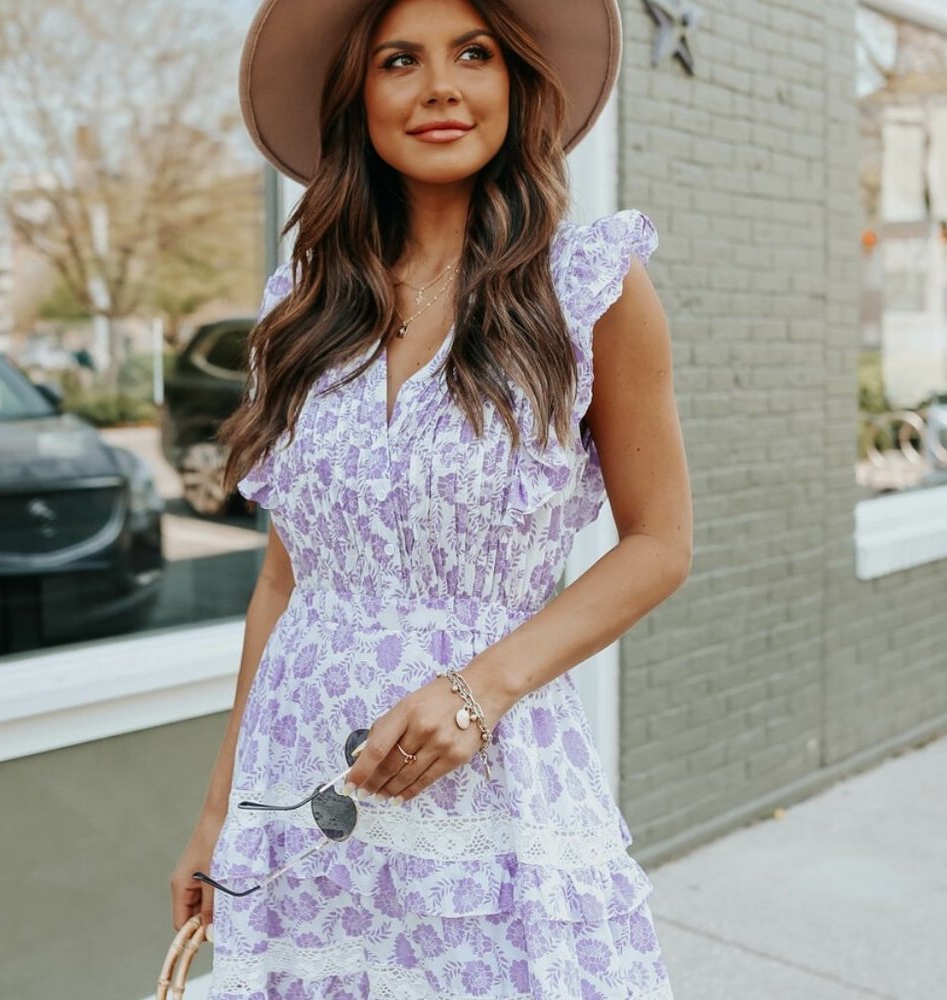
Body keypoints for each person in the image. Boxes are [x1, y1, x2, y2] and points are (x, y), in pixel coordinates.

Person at [170, 0, 692, 996]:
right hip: (302, 785)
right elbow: (284, 580)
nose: (440, 86)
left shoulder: (588, 287)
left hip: (488, 781)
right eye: (399, 61)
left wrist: (478, 689)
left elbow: (660, 542)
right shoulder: (302, 306)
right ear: (357, 99)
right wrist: (217, 810)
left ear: (515, 83)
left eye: (474, 54)